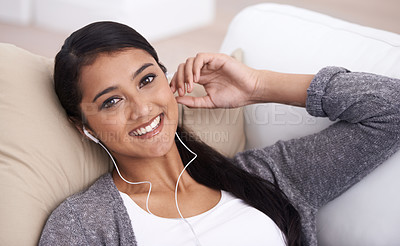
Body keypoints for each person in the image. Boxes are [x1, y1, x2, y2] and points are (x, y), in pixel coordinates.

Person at [39, 21, 400, 246]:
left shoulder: (266, 176)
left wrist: (258, 85)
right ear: (84, 127)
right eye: (112, 101)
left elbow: (391, 109)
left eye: (147, 80)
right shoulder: (84, 225)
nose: (143, 109)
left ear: (168, 82)